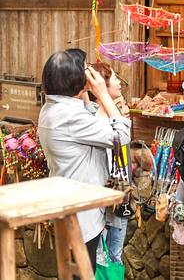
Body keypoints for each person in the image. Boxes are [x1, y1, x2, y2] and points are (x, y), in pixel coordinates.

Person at [38, 50, 131, 272]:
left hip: (69, 207)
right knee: (82, 272)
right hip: (81, 215)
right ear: (75, 81)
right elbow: (122, 135)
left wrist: (86, 97)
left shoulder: (53, 108)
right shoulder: (70, 117)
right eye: (84, 71)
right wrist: (104, 94)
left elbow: (88, 121)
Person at [87, 62, 130, 264]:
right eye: (114, 78)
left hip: (119, 193)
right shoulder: (98, 124)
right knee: (106, 257)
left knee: (114, 254)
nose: (119, 83)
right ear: (102, 86)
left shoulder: (113, 119)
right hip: (106, 198)